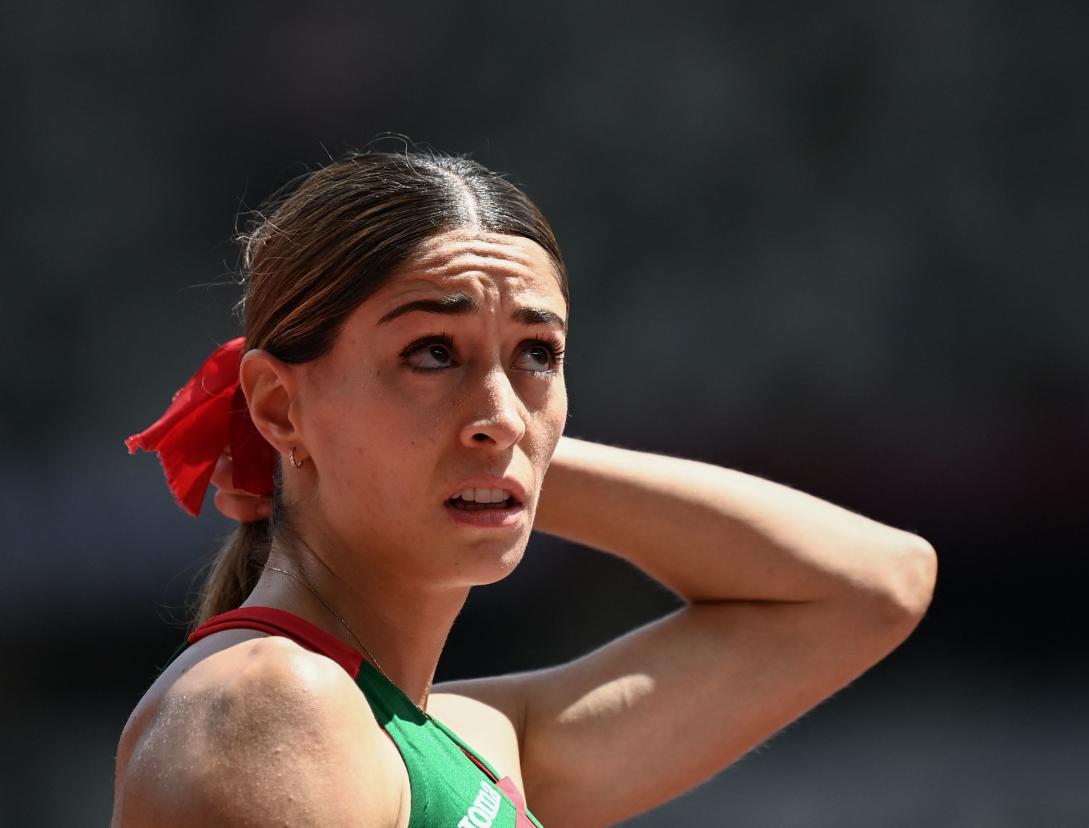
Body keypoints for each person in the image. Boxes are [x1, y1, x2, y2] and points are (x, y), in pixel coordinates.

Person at [111, 149, 937, 827]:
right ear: (278, 405)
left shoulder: (464, 744)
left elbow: (873, 585)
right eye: (433, 352)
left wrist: (508, 459)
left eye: (537, 354)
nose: (503, 413)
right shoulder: (274, 708)